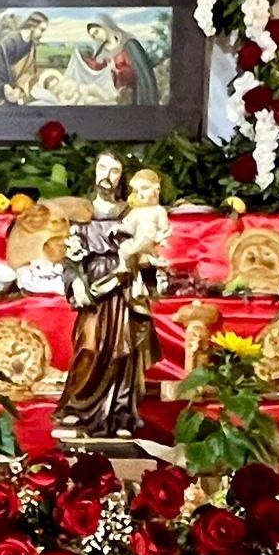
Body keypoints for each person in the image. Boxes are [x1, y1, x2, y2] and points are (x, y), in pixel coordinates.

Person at [55, 153, 159, 439]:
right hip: (93, 289)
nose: (107, 175)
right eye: (102, 167)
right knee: (88, 346)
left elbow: (146, 248)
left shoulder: (130, 214)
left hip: (122, 288)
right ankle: (77, 404)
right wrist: (76, 282)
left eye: (114, 171)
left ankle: (121, 413)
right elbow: (69, 258)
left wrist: (142, 262)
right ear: (94, 171)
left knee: (122, 351)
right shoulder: (80, 213)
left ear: (121, 178)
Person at [0, 11, 47, 105]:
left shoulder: (31, 48)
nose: (42, 34)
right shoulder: (10, 40)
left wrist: (19, 88)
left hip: (13, 94)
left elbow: (30, 71)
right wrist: (5, 86)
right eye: (41, 30)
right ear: (32, 26)